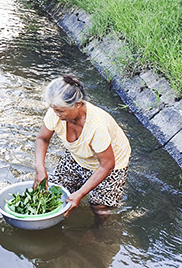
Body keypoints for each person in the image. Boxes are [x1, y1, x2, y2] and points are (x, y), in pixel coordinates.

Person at [34, 74, 131, 218]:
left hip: (111, 161)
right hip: (80, 154)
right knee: (57, 191)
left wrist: (80, 193)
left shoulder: (96, 127)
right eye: (54, 110)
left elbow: (107, 164)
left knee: (100, 207)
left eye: (60, 111)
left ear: (78, 104)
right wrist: (40, 168)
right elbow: (42, 138)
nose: (56, 114)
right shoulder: (56, 112)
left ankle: (99, 234)